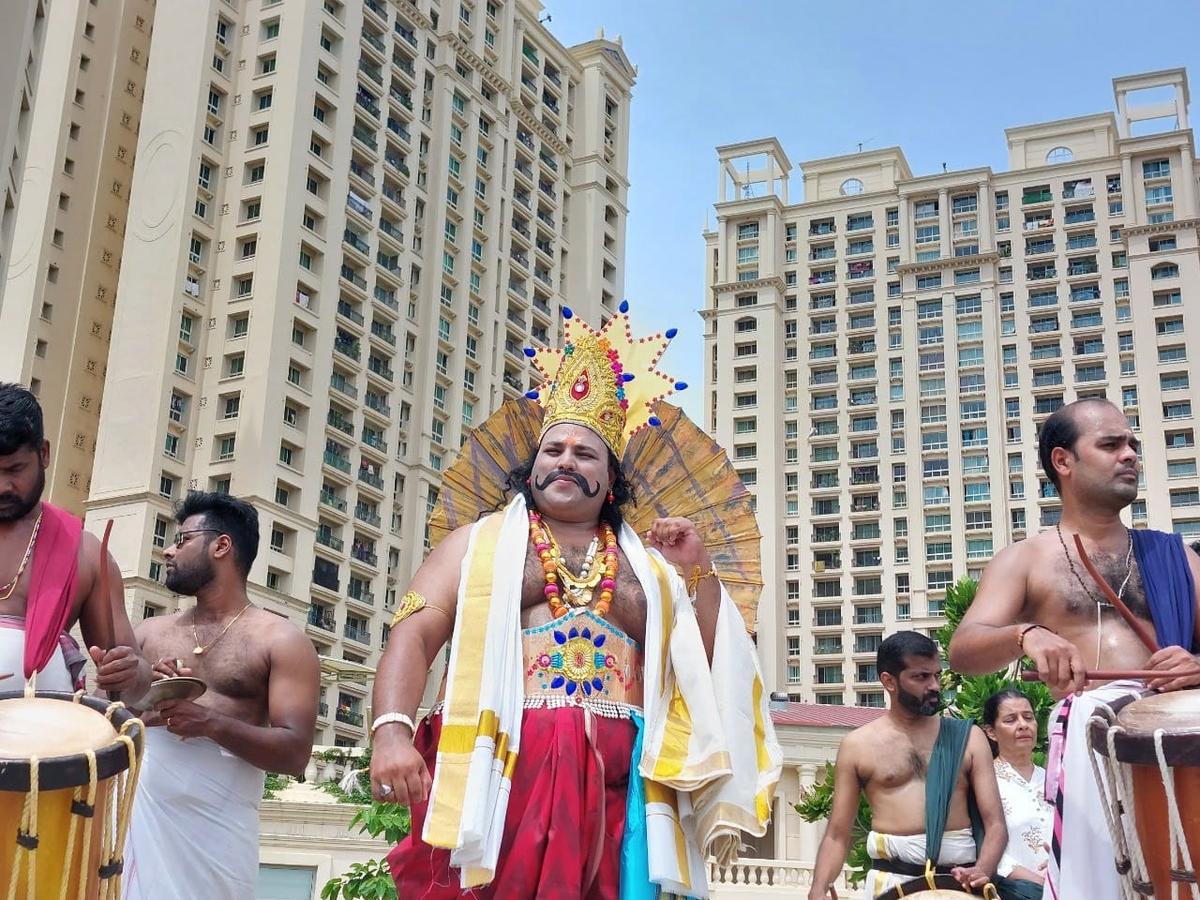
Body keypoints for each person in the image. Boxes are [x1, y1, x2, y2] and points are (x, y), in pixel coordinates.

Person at [370, 306, 781, 897]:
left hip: (627, 783)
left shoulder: (654, 567)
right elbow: (413, 632)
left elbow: (711, 666)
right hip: (508, 769)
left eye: (584, 453)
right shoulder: (477, 544)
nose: (564, 459)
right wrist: (391, 731)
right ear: (530, 466)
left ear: (611, 479)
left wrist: (700, 570)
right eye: (552, 449)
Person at [949, 398, 1200, 898]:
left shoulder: (1179, 557)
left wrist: (1197, 666)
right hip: (1091, 755)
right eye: (1110, 444)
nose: (1129, 454)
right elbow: (964, 648)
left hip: (1181, 751)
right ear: (1063, 461)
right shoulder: (1026, 559)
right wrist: (1026, 635)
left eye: (1132, 444)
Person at [122, 492, 320, 900]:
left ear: (221, 545)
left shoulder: (282, 640)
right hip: (138, 827)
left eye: (181, 540)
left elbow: (294, 752)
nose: (167, 549)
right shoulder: (148, 633)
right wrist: (148, 695)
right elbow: (111, 724)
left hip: (218, 839)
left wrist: (207, 722)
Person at [808, 631, 1006, 899]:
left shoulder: (968, 738)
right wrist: (819, 887)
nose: (934, 685)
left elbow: (995, 824)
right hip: (890, 885)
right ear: (889, 681)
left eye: (936, 675)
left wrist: (982, 869)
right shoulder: (858, 745)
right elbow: (837, 834)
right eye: (921, 677)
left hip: (958, 886)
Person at [0, 383, 149, 696]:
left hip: (48, 738)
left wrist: (130, 673)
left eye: (15, 469)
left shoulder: (86, 553)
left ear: (44, 454)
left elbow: (136, 680)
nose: (3, 486)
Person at [980, 687, 1051, 900]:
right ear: (991, 732)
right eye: (1011, 720)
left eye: (1028, 717)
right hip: (1013, 892)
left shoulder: (1053, 779)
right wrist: (1038, 882)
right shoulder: (985, 782)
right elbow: (980, 842)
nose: (1023, 725)